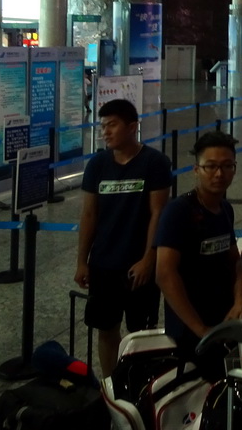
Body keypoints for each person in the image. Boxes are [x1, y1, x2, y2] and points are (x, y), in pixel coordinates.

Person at [75, 99, 172, 375]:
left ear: (132, 127)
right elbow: (89, 215)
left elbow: (158, 214)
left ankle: (140, 383)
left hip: (138, 264)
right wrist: (83, 261)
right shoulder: (97, 165)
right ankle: (111, 386)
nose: (105, 132)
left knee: (141, 331)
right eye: (102, 126)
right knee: (106, 330)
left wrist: (148, 259)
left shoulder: (155, 163)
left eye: (112, 125)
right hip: (104, 262)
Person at [155, 131, 242, 357]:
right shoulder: (179, 211)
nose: (219, 174)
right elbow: (164, 274)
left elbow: (235, 261)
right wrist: (201, 330)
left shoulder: (225, 209)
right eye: (211, 166)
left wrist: (239, 301)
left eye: (227, 166)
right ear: (196, 169)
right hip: (191, 330)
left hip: (224, 320)